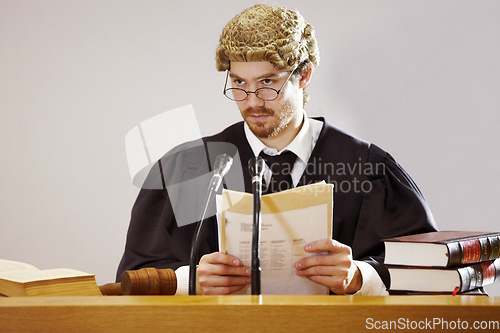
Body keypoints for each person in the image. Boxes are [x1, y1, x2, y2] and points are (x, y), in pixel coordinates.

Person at [116, 4, 437, 295]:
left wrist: (358, 276)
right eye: (239, 83)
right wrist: (189, 280)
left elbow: (430, 271)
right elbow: (134, 277)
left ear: (304, 75)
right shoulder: (191, 169)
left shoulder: (367, 167)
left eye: (268, 83)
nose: (253, 100)